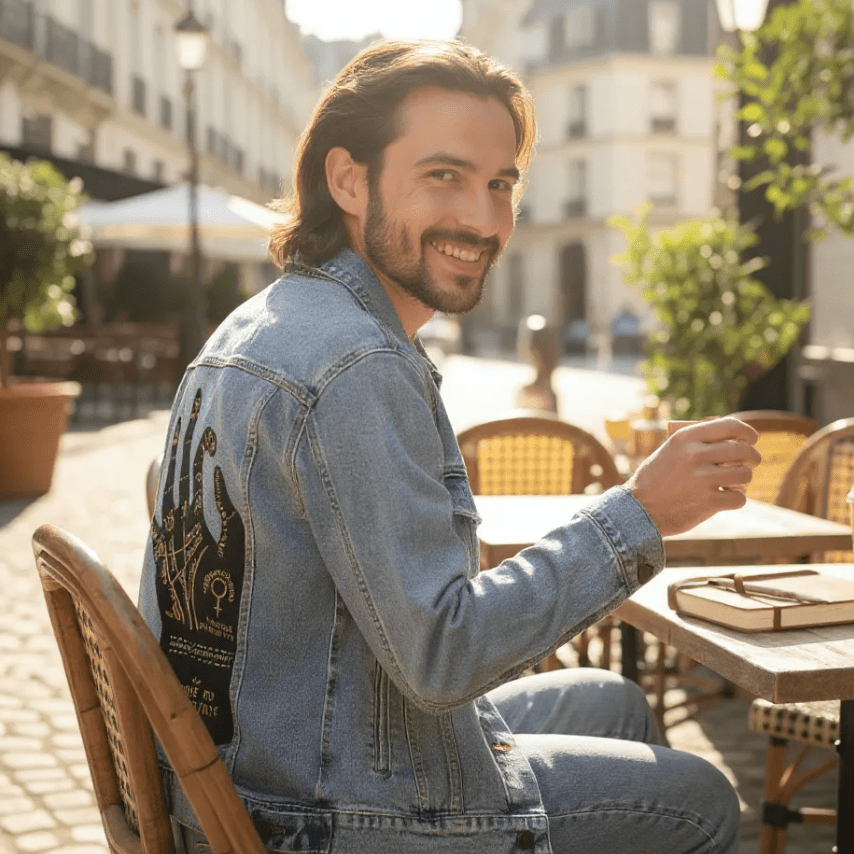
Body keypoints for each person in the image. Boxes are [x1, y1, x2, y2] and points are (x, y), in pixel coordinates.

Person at [139, 39, 761, 854]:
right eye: (444, 176)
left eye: (500, 183)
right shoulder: (356, 363)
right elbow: (441, 657)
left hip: (261, 761)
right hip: (315, 815)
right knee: (702, 798)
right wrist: (638, 515)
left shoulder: (262, 324)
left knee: (613, 698)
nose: (483, 217)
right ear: (349, 179)